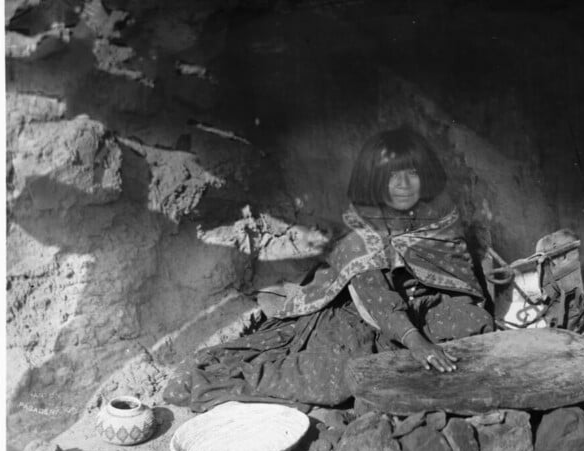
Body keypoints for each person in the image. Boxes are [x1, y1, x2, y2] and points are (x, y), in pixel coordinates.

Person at [163, 126, 493, 412]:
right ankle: (210, 380)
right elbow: (374, 294)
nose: (403, 184)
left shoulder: (438, 218)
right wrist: (416, 341)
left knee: (475, 324)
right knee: (336, 373)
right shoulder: (360, 233)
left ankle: (405, 360)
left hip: (424, 303)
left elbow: (458, 275)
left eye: (412, 173)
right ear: (376, 181)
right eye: (392, 176)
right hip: (367, 312)